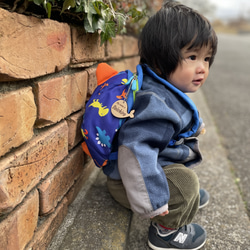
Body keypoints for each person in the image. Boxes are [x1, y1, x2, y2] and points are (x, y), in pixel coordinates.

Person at [104, 1, 218, 249]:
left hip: (142, 171)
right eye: (192, 57)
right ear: (159, 59)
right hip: (129, 182)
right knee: (186, 183)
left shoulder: (162, 88)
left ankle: (180, 199)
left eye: (207, 58)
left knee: (185, 181)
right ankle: (165, 232)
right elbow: (134, 151)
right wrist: (153, 202)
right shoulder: (156, 104)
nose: (203, 68)